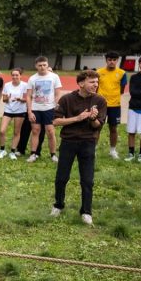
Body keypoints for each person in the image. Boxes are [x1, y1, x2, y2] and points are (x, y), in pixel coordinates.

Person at [51, 70, 107, 225]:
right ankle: (58, 205)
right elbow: (55, 121)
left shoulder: (100, 101)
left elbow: (98, 125)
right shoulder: (67, 99)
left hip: (88, 142)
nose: (95, 85)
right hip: (69, 142)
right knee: (62, 177)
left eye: (96, 82)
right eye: (91, 82)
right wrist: (77, 118)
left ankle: (86, 211)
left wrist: (93, 118)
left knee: (87, 180)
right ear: (81, 83)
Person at [26, 57, 63, 162]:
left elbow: (58, 92)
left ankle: (53, 155)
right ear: (36, 66)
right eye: (40, 65)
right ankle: (33, 154)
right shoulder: (32, 78)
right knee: (35, 131)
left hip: (49, 109)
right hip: (36, 108)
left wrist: (56, 103)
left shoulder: (54, 77)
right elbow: (28, 96)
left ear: (47, 65)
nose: (42, 67)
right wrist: (29, 111)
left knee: (50, 132)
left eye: (44, 65)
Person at [97, 51, 127, 159]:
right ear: (106, 60)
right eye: (109, 60)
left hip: (115, 105)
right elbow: (95, 87)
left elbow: (122, 90)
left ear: (117, 61)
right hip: (101, 105)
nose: (112, 62)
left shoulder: (122, 73)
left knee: (113, 128)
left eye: (114, 60)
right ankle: (93, 149)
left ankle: (112, 151)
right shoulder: (99, 72)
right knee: (97, 127)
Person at [0, 69, 29, 159]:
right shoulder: (7, 85)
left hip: (20, 111)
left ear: (20, 75)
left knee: (16, 132)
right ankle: (2, 150)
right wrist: (7, 98)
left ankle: (12, 151)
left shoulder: (25, 85)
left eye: (17, 75)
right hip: (8, 110)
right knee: (2, 131)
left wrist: (20, 99)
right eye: (13, 75)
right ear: (11, 76)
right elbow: (4, 100)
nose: (15, 77)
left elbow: (27, 99)